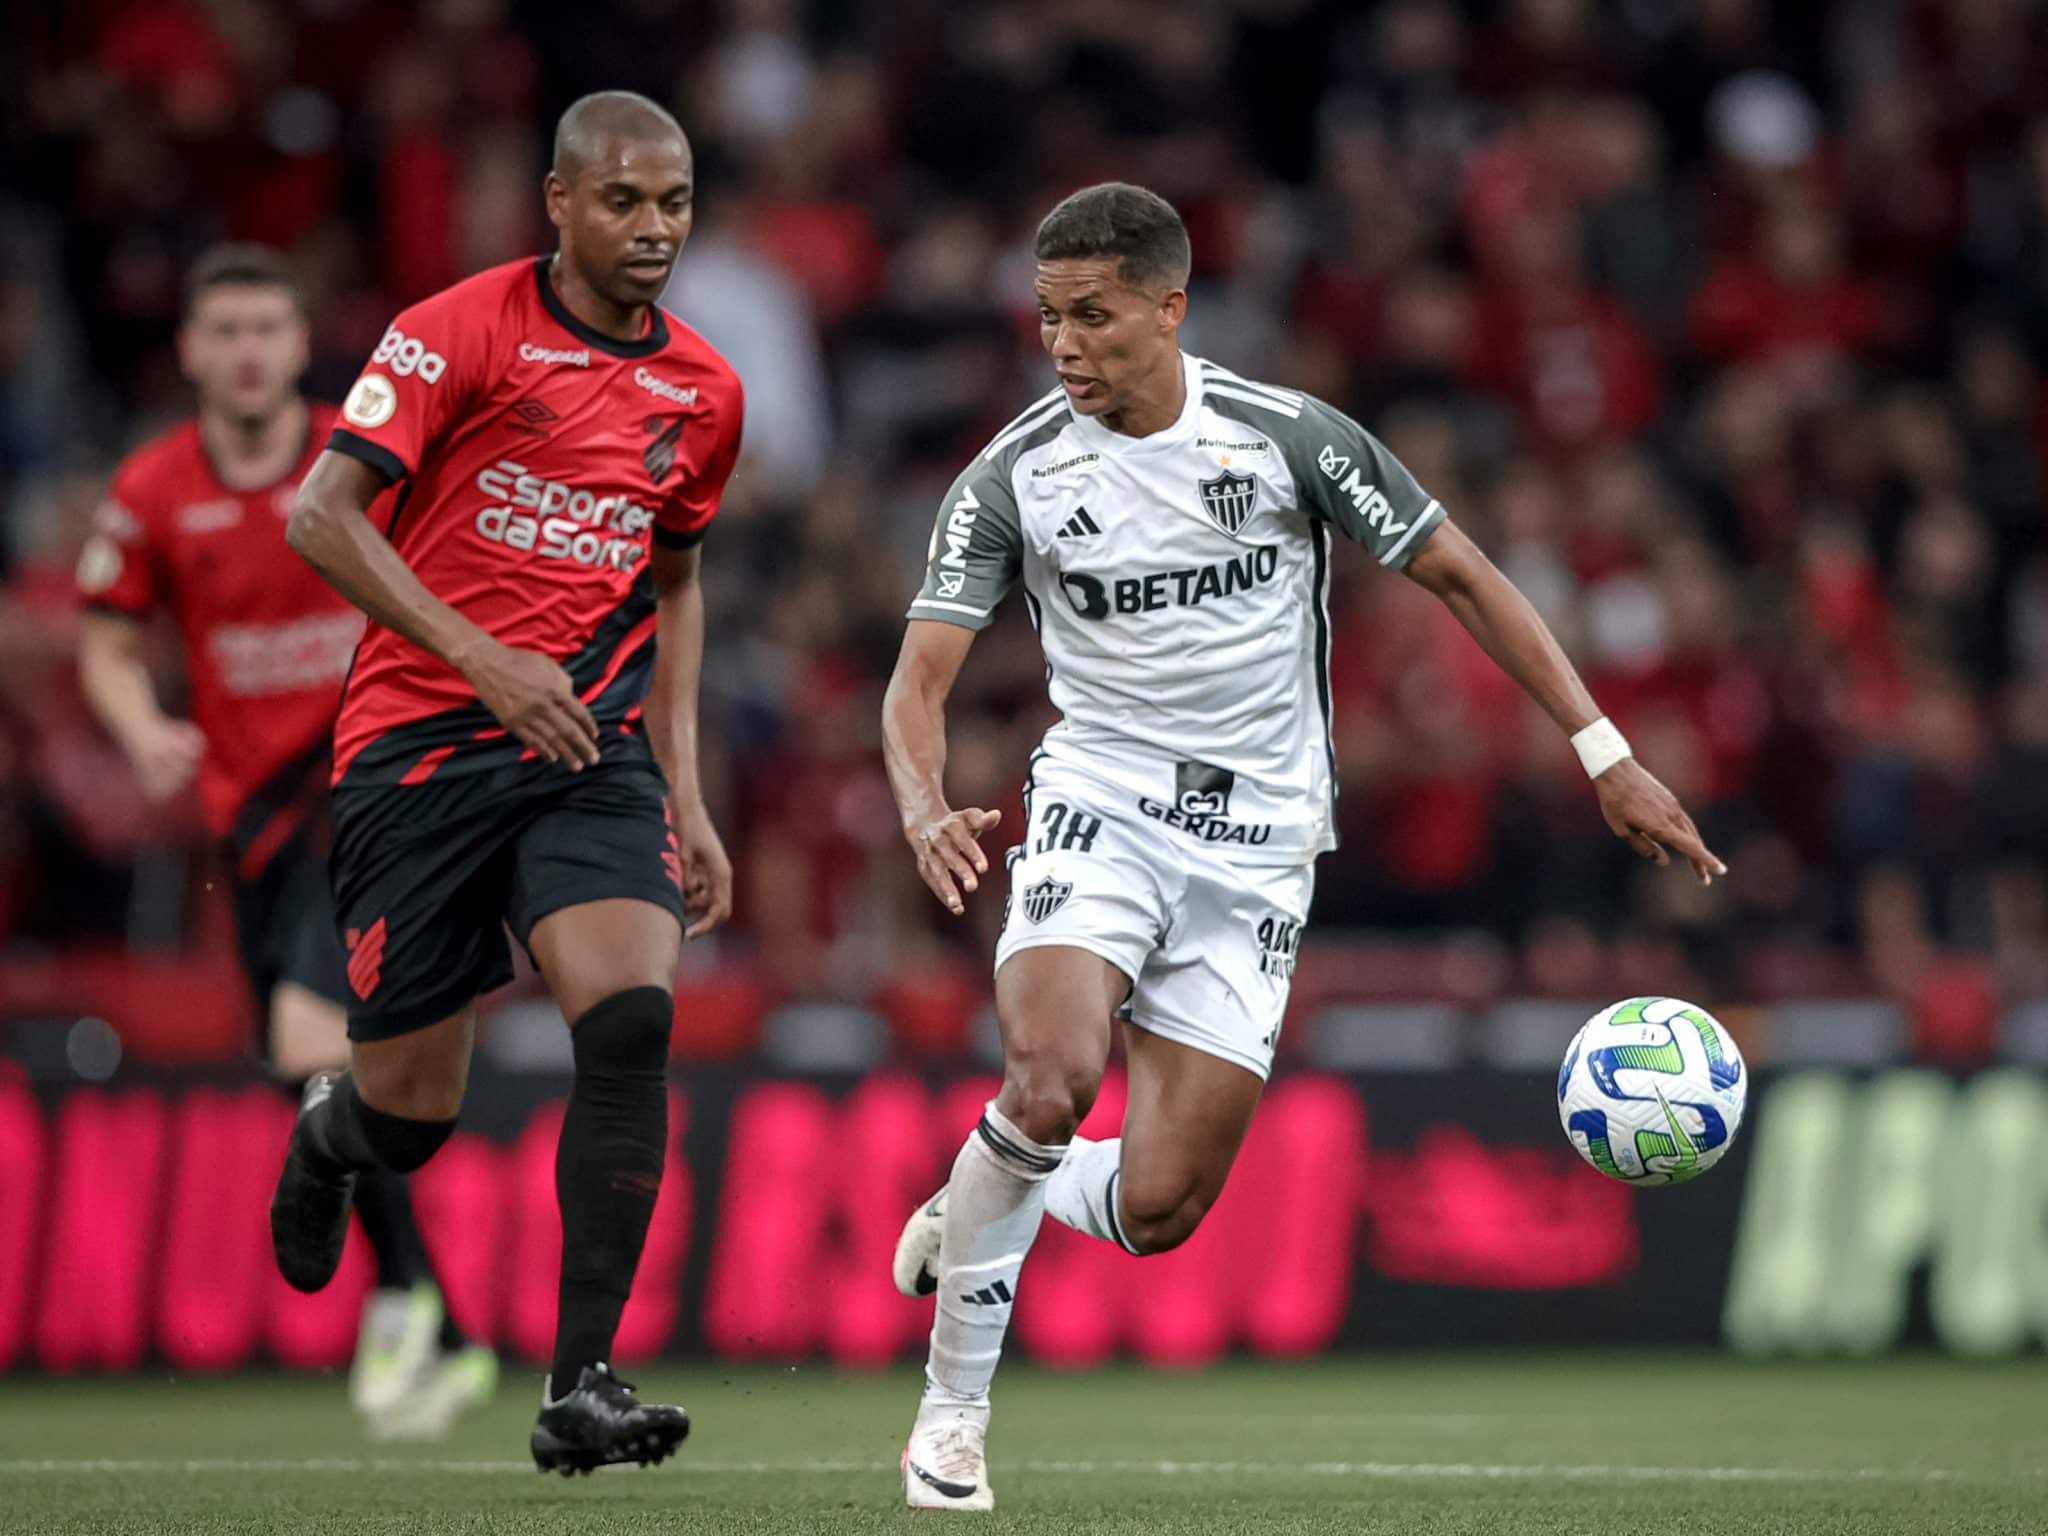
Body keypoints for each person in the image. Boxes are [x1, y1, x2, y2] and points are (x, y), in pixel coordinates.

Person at [882, 183, 1728, 1512]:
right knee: (1048, 1079)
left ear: (1169, 308)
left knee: (1160, 1207)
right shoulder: (1013, 479)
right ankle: (952, 1421)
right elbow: (917, 679)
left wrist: (1603, 751)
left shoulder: (1288, 439)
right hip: (1099, 805)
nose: (1064, 344)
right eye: (1047, 318)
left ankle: (995, 1196)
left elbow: (1465, 577)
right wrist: (923, 799)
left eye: (1093, 316)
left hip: (1260, 848)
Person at [263, 91, 741, 1475]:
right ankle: (331, 1135)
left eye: (674, 204)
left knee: (633, 1019)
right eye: (624, 203)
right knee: (411, 1119)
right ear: (559, 201)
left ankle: (581, 1381)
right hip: (419, 748)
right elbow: (319, 518)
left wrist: (686, 785)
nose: (652, 230)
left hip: (587, 754)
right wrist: (483, 662)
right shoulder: (453, 330)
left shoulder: (705, 389)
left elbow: (679, 578)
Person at [76, 244, 495, 1439]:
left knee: (309, 1036)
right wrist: (138, 721)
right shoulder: (154, 489)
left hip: (369, 785)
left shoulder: (357, 453)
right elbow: (107, 635)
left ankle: (403, 1311)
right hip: (246, 821)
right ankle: (431, 1314)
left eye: (269, 326)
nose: (249, 349)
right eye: (228, 330)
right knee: (291, 1065)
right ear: (192, 352)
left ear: (299, 340)